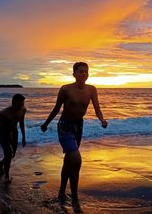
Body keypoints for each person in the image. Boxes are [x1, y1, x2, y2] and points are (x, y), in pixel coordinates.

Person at [40, 62, 107, 213]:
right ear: (74, 73)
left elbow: (97, 108)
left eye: (86, 72)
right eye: (80, 72)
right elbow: (57, 108)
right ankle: (75, 196)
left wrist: (102, 119)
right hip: (65, 126)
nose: (83, 74)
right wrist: (45, 124)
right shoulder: (65, 89)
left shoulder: (91, 89)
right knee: (76, 159)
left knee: (70, 161)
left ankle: (62, 192)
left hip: (78, 127)